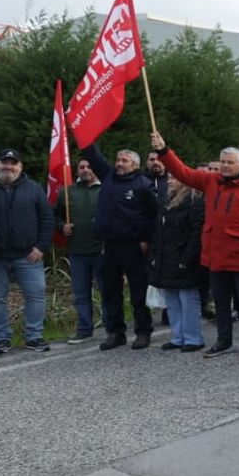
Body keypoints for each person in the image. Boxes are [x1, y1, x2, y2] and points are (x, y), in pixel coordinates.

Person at [153, 133, 239, 359]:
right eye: (223, 162)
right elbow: (183, 172)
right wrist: (164, 151)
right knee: (220, 301)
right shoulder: (211, 181)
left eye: (230, 163)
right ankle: (223, 340)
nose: (225, 166)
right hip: (216, 255)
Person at [80, 141, 159, 350]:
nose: (119, 164)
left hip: (133, 245)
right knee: (110, 291)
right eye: (118, 160)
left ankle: (143, 331)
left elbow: (154, 216)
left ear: (134, 164)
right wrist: (84, 137)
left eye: (124, 161)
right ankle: (115, 332)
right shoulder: (108, 177)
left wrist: (146, 241)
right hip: (109, 245)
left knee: (138, 291)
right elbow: (94, 157)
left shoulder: (143, 184)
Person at [0, 149, 53, 353]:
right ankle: (1, 338)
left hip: (28, 255)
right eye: (4, 162)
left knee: (36, 294)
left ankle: (34, 336)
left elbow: (47, 219)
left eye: (13, 163)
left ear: (20, 167)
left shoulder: (33, 189)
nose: (8, 166)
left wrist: (40, 247)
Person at [149, 177, 205, 351]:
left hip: (183, 259)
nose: (170, 181)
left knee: (188, 300)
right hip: (167, 258)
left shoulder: (194, 201)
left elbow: (197, 233)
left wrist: (188, 259)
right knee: (172, 300)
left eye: (174, 178)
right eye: (169, 178)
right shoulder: (166, 201)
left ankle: (193, 338)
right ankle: (178, 336)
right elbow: (159, 231)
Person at [60, 157, 103, 343]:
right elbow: (55, 215)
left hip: (102, 249)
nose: (85, 170)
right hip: (77, 251)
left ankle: (112, 326)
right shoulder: (68, 193)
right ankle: (85, 328)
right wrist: (62, 226)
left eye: (89, 166)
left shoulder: (105, 189)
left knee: (106, 289)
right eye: (81, 167)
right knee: (80, 293)